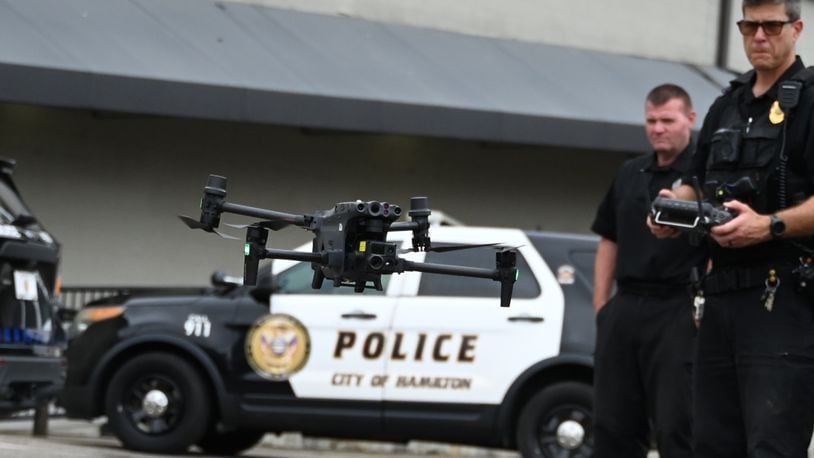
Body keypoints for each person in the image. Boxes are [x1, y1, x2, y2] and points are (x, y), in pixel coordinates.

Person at [649, 1, 814, 455]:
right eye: (749, 25)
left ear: (796, 29)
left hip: (781, 301)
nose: (759, 36)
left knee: (771, 444)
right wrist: (672, 207)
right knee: (712, 443)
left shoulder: (811, 98)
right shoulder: (727, 103)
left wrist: (769, 225)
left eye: (771, 26)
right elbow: (696, 184)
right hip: (719, 299)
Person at [591, 84, 706, 458]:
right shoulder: (630, 172)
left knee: (678, 425)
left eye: (667, 120)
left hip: (678, 308)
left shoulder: (704, 176)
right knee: (612, 423)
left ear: (690, 119)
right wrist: (601, 307)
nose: (658, 128)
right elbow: (609, 238)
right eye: (651, 121)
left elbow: (719, 244)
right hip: (626, 307)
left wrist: (703, 311)